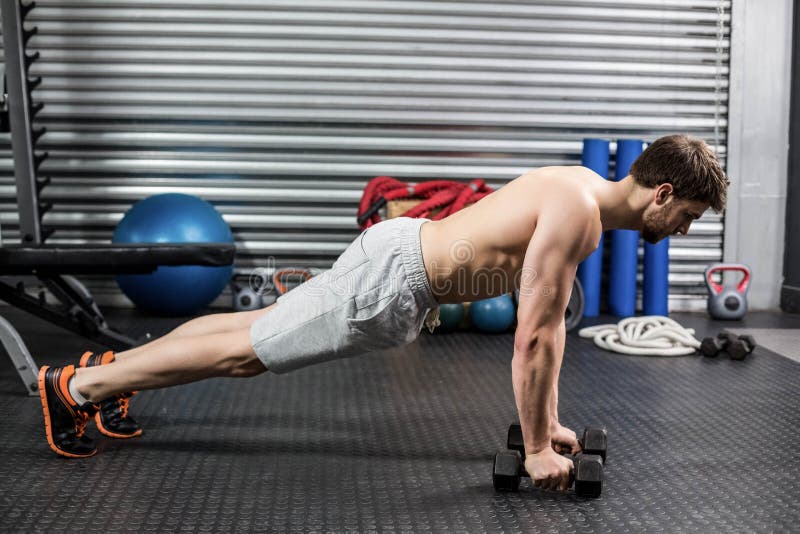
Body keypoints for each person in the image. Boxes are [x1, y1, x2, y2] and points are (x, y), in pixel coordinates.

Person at [38, 134, 728, 492]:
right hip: (395, 283)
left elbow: (542, 336)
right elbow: (536, 337)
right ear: (663, 193)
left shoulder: (584, 186)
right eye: (689, 217)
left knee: (245, 333)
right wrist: (540, 447)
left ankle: (115, 372)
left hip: (400, 255)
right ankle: (76, 387)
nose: (685, 231)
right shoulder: (579, 215)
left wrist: (546, 424)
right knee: (245, 351)